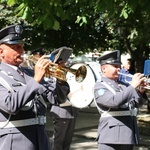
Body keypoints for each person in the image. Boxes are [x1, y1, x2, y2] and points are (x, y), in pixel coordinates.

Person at [0, 25, 70, 150]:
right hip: (16, 141)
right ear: (1, 52)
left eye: (22, 46)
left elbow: (57, 98)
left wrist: (60, 79)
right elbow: (10, 105)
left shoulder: (30, 72)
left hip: (41, 139)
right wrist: (36, 79)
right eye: (16, 47)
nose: (22, 51)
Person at [93, 50, 148, 150]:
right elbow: (114, 101)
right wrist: (132, 86)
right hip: (110, 138)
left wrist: (141, 91)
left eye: (119, 66)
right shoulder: (100, 86)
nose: (119, 69)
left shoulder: (123, 85)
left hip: (128, 135)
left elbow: (135, 103)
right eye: (115, 66)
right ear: (104, 68)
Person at [49, 47, 79, 150]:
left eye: (64, 61)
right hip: (60, 111)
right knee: (58, 142)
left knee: (67, 143)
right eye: (61, 62)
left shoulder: (66, 74)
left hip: (71, 110)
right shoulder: (51, 75)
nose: (64, 64)